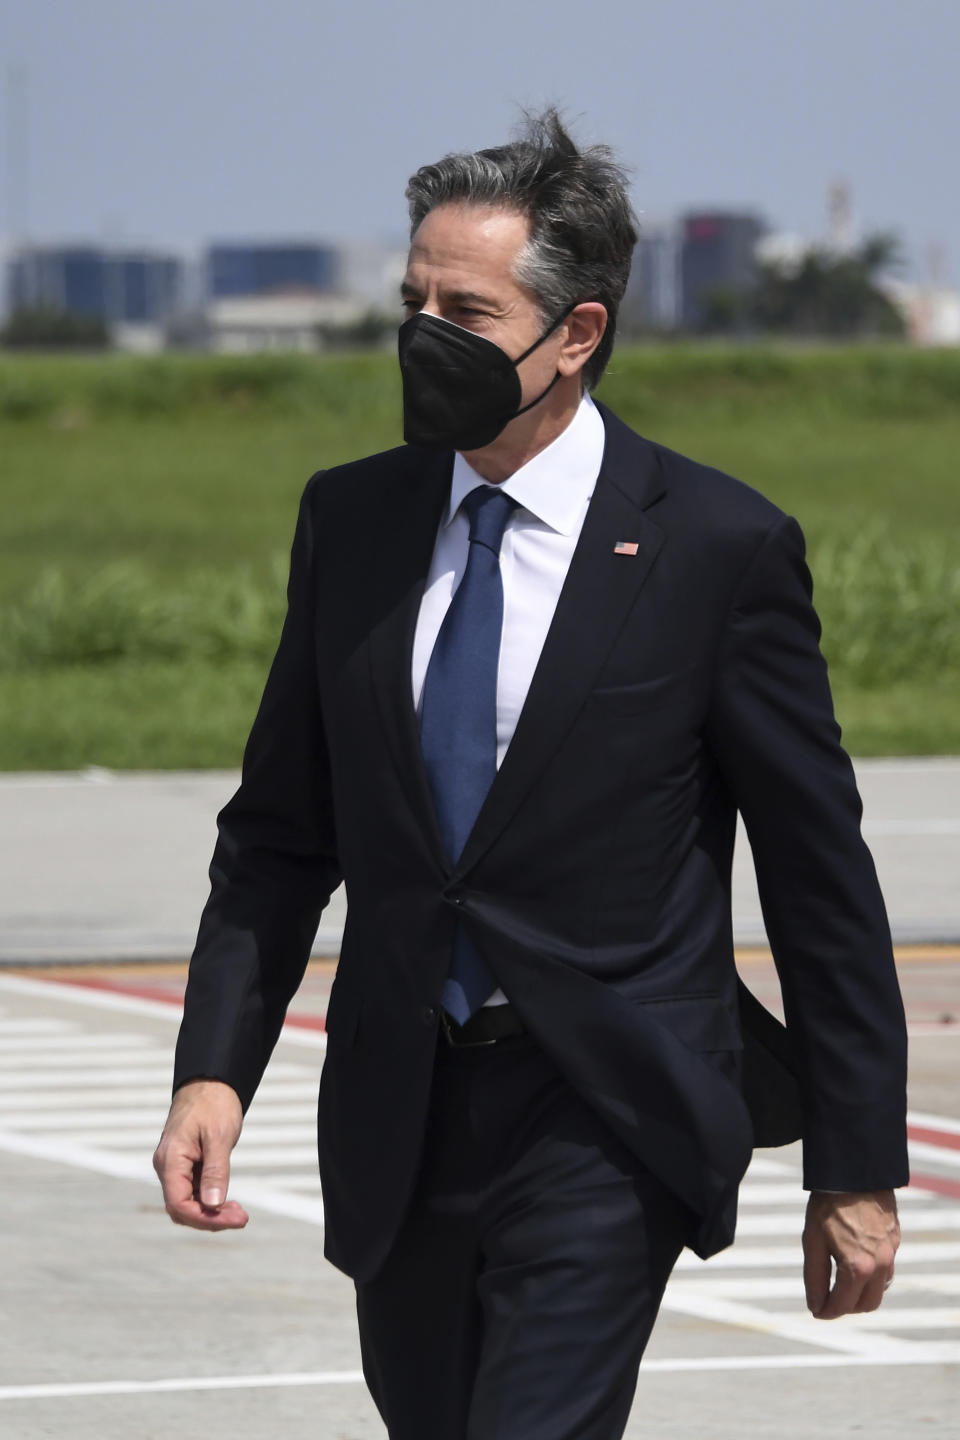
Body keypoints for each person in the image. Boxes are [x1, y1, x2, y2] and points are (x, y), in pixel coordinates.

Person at [154, 111, 908, 1440]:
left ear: (577, 335)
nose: (423, 335)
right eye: (413, 299)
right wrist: (215, 1069)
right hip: (404, 1108)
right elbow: (281, 831)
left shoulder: (715, 550)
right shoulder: (355, 520)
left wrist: (855, 1165)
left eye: (466, 307)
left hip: (608, 1111)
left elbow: (818, 874)